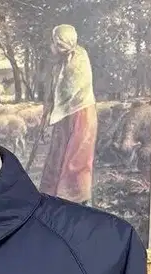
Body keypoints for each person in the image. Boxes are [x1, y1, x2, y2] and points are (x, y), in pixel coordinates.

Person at [39, 24, 98, 204]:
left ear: (64, 42)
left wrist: (53, 110)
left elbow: (70, 91)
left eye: (57, 43)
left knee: (77, 157)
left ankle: (77, 198)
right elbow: (54, 92)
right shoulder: (59, 63)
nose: (53, 46)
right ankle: (52, 195)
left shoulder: (79, 59)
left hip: (81, 114)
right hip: (64, 116)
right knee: (58, 153)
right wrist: (47, 110)